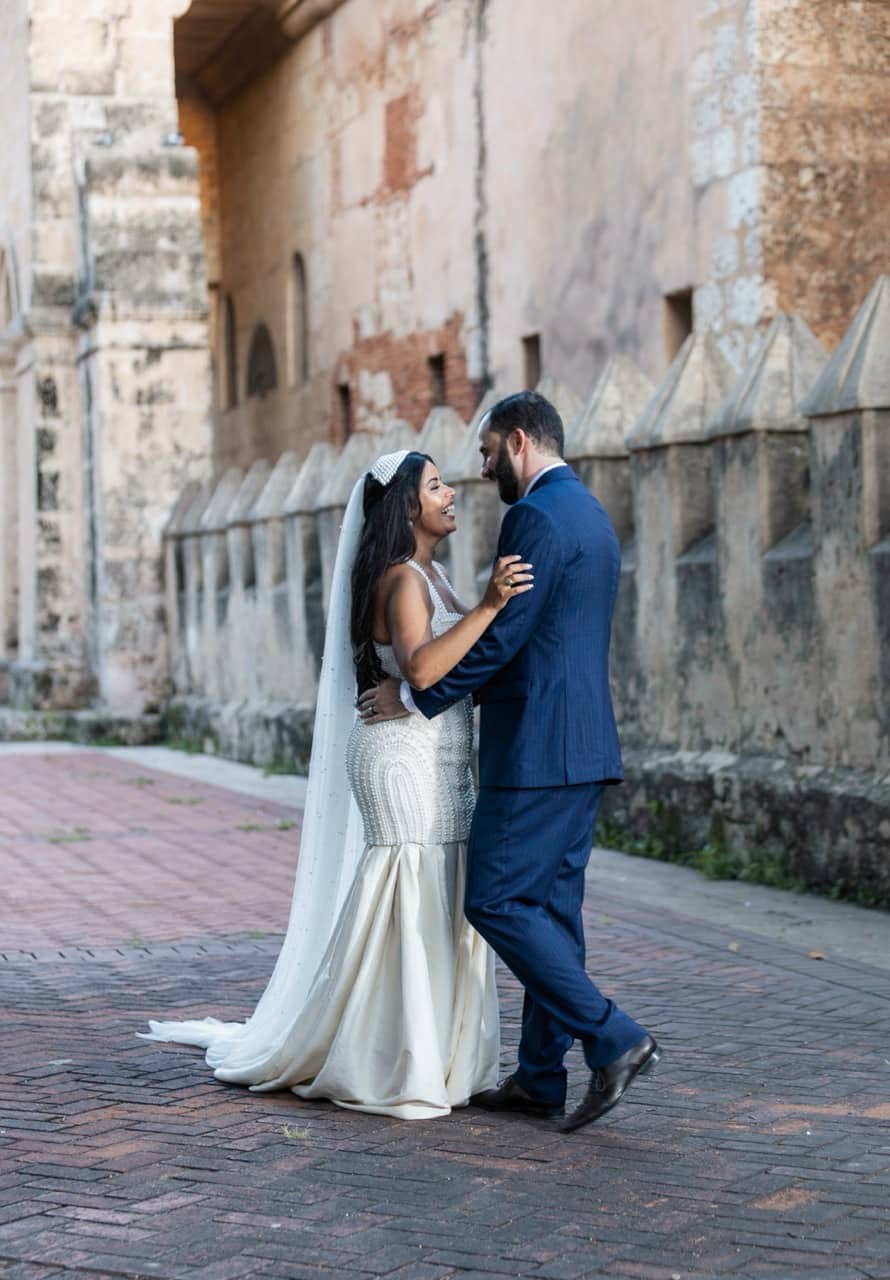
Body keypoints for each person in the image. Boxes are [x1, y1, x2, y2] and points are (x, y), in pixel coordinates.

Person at [140, 448, 533, 1120]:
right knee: (409, 894)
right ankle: (389, 1058)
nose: (452, 495)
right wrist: (492, 604)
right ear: (408, 505)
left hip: (440, 758)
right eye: (436, 486)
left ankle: (436, 1053)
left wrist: (488, 617)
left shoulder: (432, 578)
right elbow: (425, 670)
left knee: (441, 897)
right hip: (401, 760)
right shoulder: (402, 581)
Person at [358, 392, 660, 1132]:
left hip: (535, 750)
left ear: (519, 442)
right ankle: (537, 1078)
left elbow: (504, 638)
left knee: (492, 900)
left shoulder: (532, 517)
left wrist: (418, 693)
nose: (483, 467)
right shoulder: (591, 512)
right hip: (586, 745)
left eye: (489, 452)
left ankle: (614, 1037)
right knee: (554, 910)